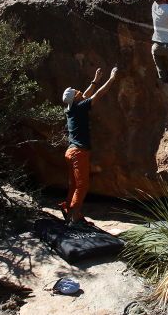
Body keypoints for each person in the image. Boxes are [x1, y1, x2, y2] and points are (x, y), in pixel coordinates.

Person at [60, 66, 118, 224]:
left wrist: (95, 79)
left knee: (73, 186)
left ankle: (69, 212)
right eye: (77, 92)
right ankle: (73, 217)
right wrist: (111, 79)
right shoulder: (79, 107)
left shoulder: (71, 109)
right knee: (82, 186)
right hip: (78, 153)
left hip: (70, 152)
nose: (79, 91)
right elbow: (99, 94)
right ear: (76, 98)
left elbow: (85, 94)